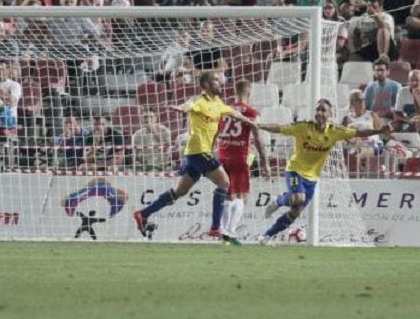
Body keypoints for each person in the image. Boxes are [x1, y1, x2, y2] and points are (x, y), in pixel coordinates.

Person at [133, 72, 259, 239]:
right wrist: (182, 108)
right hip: (200, 151)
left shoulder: (218, 103)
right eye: (215, 80)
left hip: (194, 154)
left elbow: (234, 113)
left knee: (180, 191)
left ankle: (143, 213)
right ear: (206, 85)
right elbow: (189, 105)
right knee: (224, 182)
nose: (220, 82)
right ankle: (215, 227)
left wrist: (250, 122)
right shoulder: (200, 101)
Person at [259, 99, 391, 244]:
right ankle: (278, 204)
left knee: (296, 211)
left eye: (323, 110)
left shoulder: (335, 131)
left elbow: (358, 132)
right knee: (298, 199)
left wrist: (379, 131)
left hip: (312, 177)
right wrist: (260, 126)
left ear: (330, 114)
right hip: (295, 170)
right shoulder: (303, 127)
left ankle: (267, 233)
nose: (319, 113)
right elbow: (279, 127)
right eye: (318, 110)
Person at [216, 79, 269, 245]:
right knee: (241, 196)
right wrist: (264, 160)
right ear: (249, 93)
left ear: (235, 92)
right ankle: (230, 232)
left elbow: (216, 132)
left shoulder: (225, 110)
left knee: (228, 195)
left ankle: (224, 232)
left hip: (222, 155)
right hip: (239, 157)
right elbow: (258, 137)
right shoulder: (252, 112)